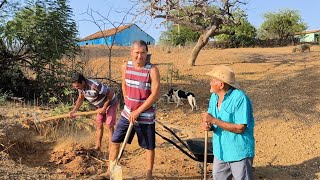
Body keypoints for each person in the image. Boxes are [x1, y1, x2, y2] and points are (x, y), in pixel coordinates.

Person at [106, 40, 160, 180]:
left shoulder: (152, 70)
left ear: (147, 53)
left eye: (143, 53)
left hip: (146, 117)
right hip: (127, 114)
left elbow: (154, 95)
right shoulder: (125, 67)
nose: (139, 56)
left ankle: (149, 175)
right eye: (137, 53)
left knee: (149, 147)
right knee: (115, 140)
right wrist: (129, 104)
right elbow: (124, 85)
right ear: (131, 53)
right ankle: (111, 170)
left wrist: (138, 111)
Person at [201, 65, 255, 180]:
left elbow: (240, 128)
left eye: (212, 81)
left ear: (221, 85)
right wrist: (208, 125)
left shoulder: (240, 98)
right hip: (220, 151)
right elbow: (211, 121)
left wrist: (213, 120)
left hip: (239, 152)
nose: (210, 83)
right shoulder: (214, 97)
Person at [69, 73, 118, 152]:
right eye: (75, 86)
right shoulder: (80, 88)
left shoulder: (94, 85)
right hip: (100, 107)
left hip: (110, 103)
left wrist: (105, 107)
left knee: (109, 125)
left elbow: (111, 93)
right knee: (99, 124)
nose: (76, 88)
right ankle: (98, 147)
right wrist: (74, 111)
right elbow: (81, 98)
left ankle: (112, 148)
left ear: (83, 82)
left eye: (77, 86)